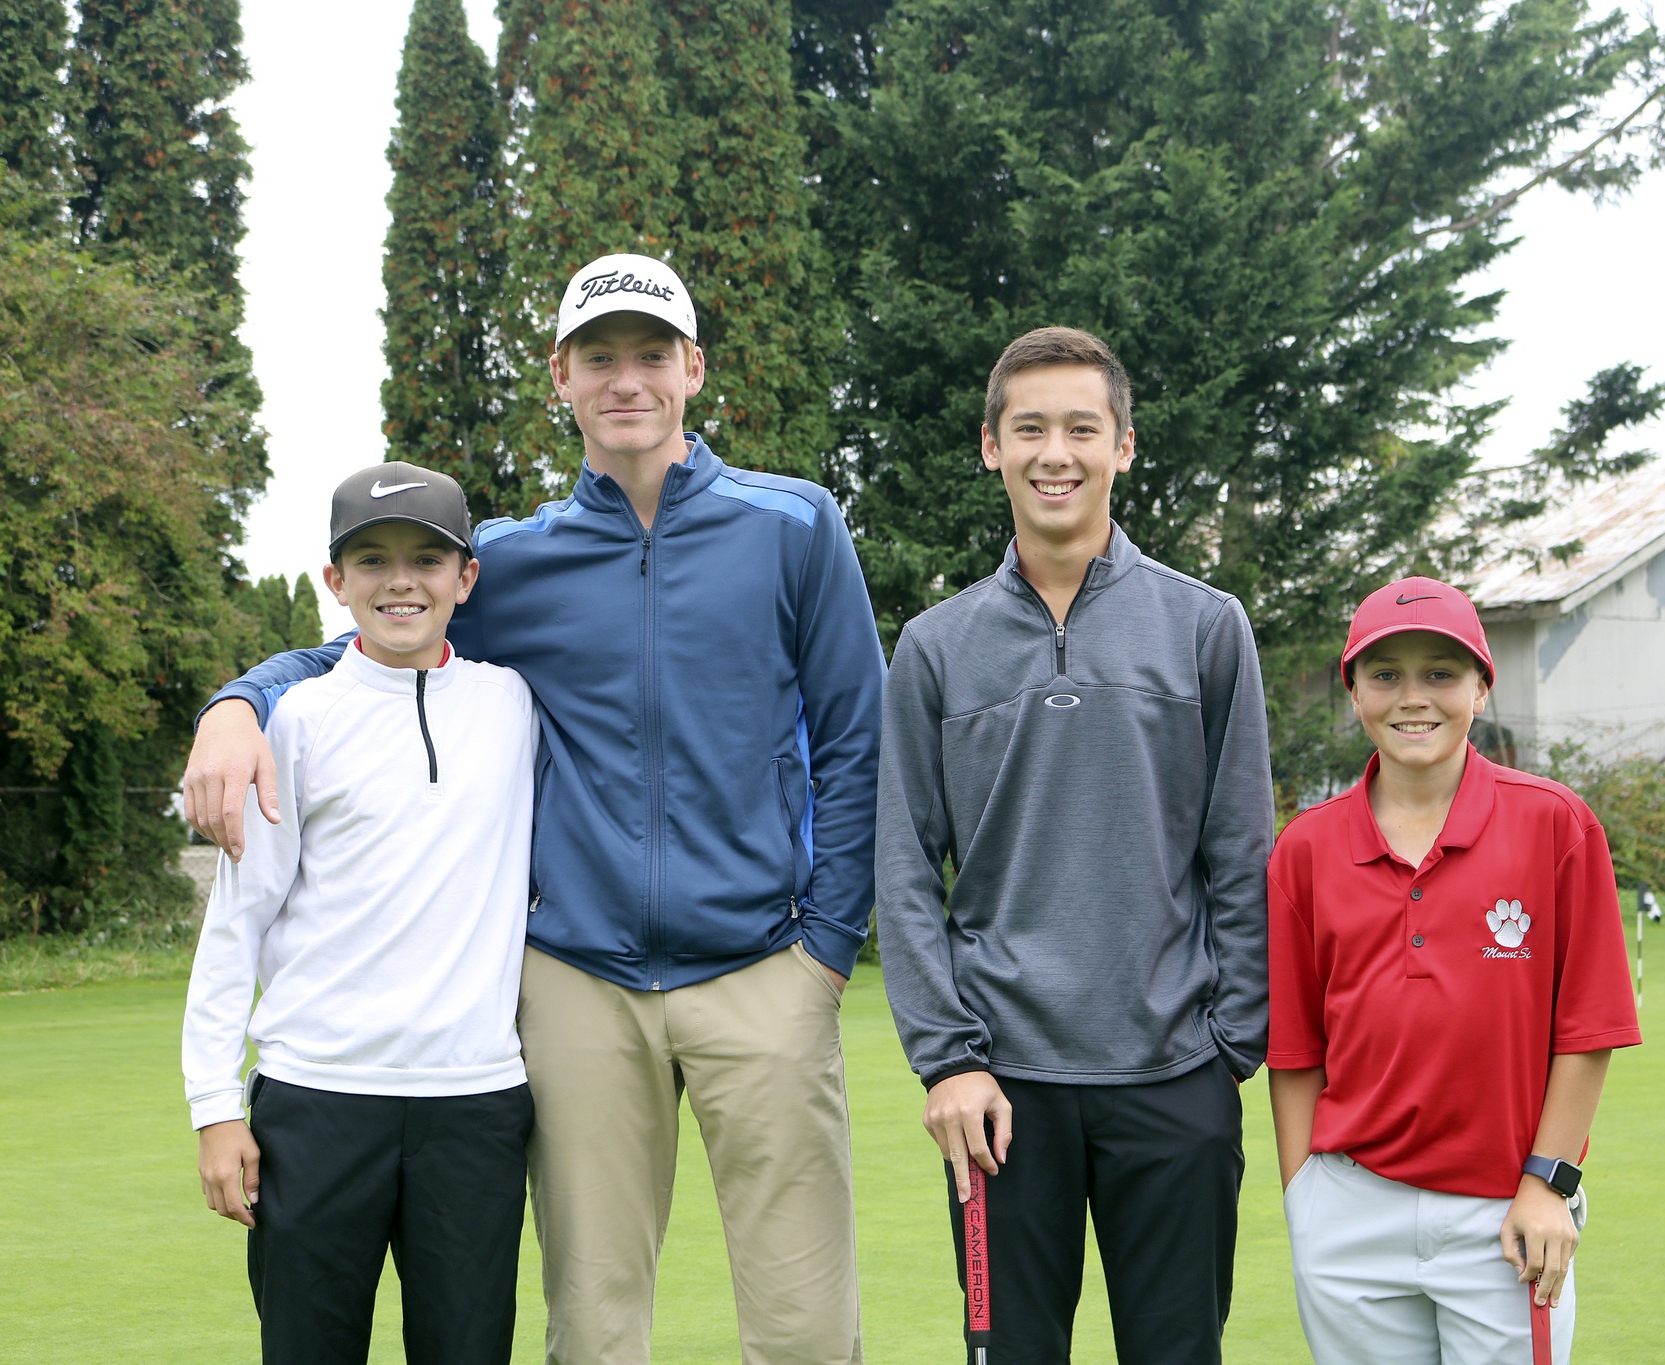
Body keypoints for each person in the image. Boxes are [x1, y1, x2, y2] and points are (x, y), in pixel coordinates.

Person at [181, 253, 886, 1365]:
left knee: (804, 1329)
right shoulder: (509, 561)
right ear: (559, 376)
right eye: (598, 357)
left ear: (692, 368)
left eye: (650, 355)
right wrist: (239, 700)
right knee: (593, 1331)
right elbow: (371, 637)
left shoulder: (793, 527)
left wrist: (829, 947)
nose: (626, 380)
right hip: (575, 986)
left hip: (762, 969)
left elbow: (858, 741)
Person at [877, 326, 1275, 1364]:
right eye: (1029, 429)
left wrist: (1229, 1043)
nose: (1055, 452)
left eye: (1080, 428)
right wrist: (947, 1062)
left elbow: (1240, 851)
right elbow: (907, 870)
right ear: (990, 447)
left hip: (1174, 1077)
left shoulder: (1203, 626)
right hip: (998, 1093)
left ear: (1123, 447)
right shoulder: (934, 647)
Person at [183, 462, 536, 1364]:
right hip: (316, 1103)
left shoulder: (514, 706)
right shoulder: (295, 719)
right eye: (371, 560)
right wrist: (216, 1106)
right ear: (336, 582)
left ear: (467, 578)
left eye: (427, 558)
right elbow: (238, 921)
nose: (400, 580)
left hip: (476, 1106)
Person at [1266, 578, 1643, 1365]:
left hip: (1508, 1211)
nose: (1414, 697)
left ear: (1480, 686)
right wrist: (1304, 1195)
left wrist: (1549, 1181)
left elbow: (1588, 1029)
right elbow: (1297, 1050)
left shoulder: (1555, 824)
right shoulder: (1304, 847)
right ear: (1354, 691)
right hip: (1350, 1211)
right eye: (1385, 673)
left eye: (1440, 672)